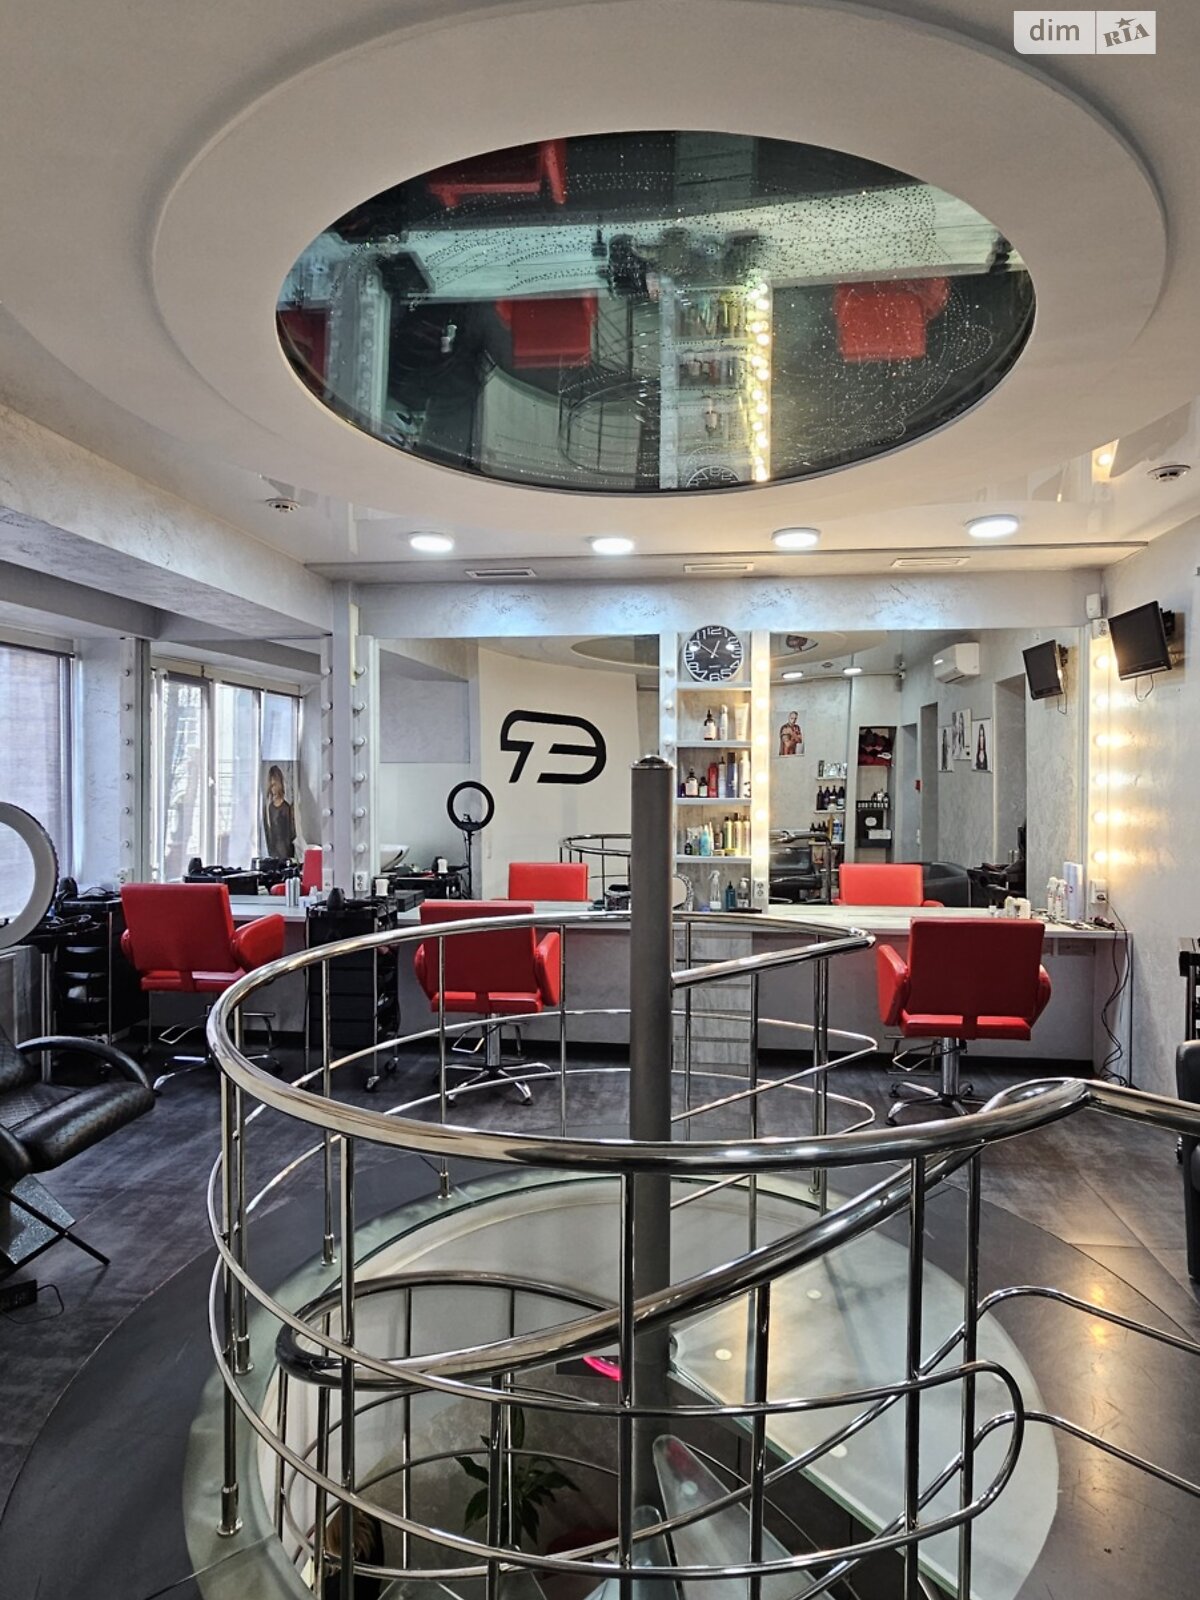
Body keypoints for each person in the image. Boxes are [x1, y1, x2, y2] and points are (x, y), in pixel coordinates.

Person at [262, 764, 297, 860]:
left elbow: (290, 835)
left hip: (285, 852)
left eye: (274, 785)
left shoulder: (285, 808)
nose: (272, 789)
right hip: (272, 851)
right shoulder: (269, 807)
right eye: (271, 785)